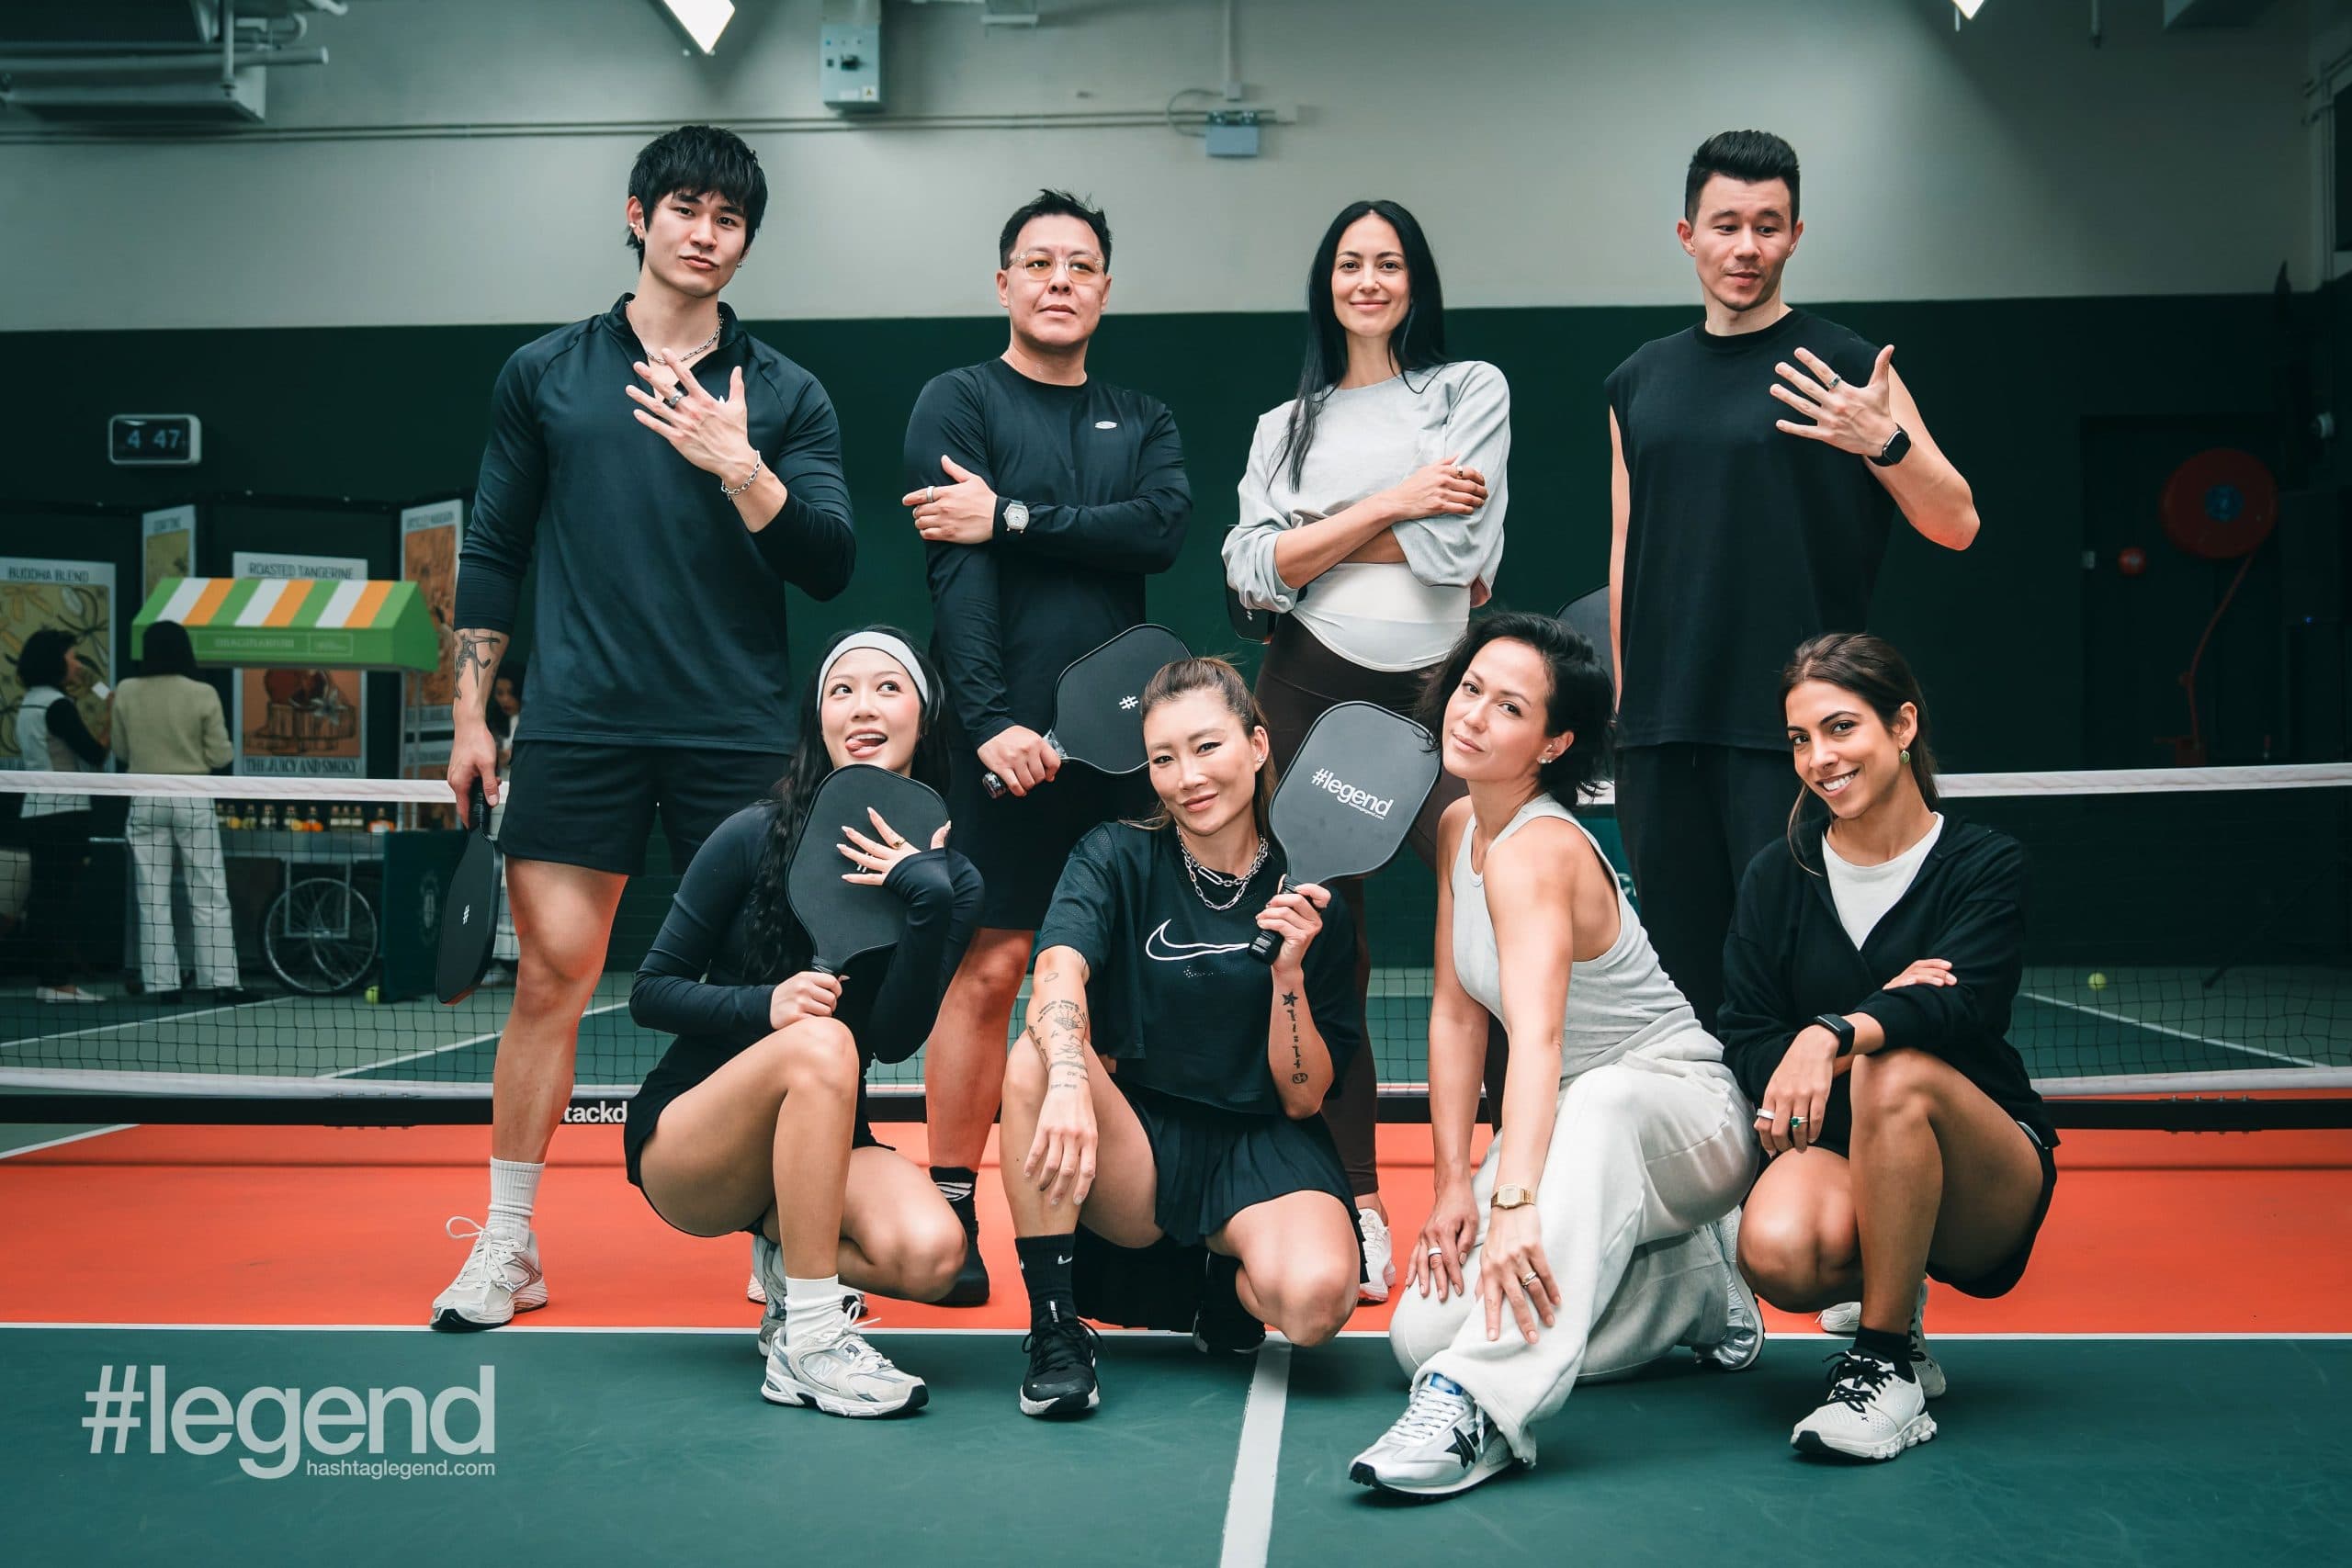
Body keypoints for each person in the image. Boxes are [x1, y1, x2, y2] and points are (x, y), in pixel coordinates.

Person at [434, 123, 855, 1330]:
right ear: (638, 215)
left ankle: (781, 1244)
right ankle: (508, 1243)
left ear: (743, 243)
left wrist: (742, 466)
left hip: (735, 729)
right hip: (580, 726)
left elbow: (827, 561)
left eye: (730, 220)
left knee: (770, 989)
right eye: (686, 209)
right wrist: (470, 713)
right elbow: (496, 548)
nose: (706, 233)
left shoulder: (784, 394)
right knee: (553, 982)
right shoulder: (547, 375)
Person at [1352, 614, 1759, 1498]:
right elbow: (1459, 1016)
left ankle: (1480, 1405)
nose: (1473, 715)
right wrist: (1454, 1181)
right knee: (1419, 1333)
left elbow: (1533, 1040)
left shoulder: (1539, 850)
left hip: (1677, 1110)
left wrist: (1514, 1201)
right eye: (1471, 689)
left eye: (1509, 706)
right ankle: (1695, 1286)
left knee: (1603, 1103)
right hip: (1570, 1122)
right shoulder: (1463, 825)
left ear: (1554, 741)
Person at [1605, 129, 1980, 1041]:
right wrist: (1629, 708)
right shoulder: (1637, 380)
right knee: (1688, 985)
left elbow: (1956, 521)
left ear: (1795, 235)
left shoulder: (1847, 368)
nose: (1746, 247)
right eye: (1726, 224)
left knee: (1799, 973)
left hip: (1790, 730)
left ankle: (1812, 1176)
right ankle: (1718, 1179)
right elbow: (1626, 552)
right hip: (1663, 733)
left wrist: (1880, 440)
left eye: (1766, 226)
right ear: (1686, 233)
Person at [902, 189, 1192, 1306]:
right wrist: (985, 723)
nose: (1059, 279)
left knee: (1116, 984)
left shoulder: (1142, 417)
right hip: (1000, 743)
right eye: (1038, 263)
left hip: (1120, 753)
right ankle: (953, 1206)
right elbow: (956, 576)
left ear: (1104, 290)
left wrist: (1014, 517)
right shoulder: (957, 401)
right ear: (1005, 284)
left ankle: (1110, 1223)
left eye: (1080, 265)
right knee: (986, 972)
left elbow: (1157, 530)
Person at [1222, 198, 1510, 1303]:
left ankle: (1488, 1190)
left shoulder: (1468, 391)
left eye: (1388, 263)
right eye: (1350, 263)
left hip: (1442, 698)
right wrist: (1391, 500)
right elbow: (1249, 575)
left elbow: (1461, 548)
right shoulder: (1280, 424)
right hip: (1303, 690)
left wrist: (1310, 542)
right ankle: (1356, 1200)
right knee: (1322, 950)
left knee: (1479, 944)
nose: (1369, 279)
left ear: (1414, 281)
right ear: (1326, 283)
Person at [625, 627, 981, 1416]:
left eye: (889, 687)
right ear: (818, 718)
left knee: (935, 1254)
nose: (863, 705)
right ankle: (811, 1343)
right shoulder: (753, 834)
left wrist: (926, 904)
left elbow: (892, 1039)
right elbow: (651, 990)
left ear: (925, 717)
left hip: (821, 1140)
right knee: (822, 1041)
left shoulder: (952, 879)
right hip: (693, 1144)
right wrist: (766, 1004)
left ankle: (792, 1267)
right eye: (841, 689)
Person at [1722, 633, 2057, 1462]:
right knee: (1776, 1248)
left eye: (1841, 728)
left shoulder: (1983, 864)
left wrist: (1836, 1030)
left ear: (1903, 725)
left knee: (1897, 1067)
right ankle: (1894, 1295)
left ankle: (1886, 1363)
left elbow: (1964, 1005)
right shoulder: (1778, 875)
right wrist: (1882, 1008)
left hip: (1987, 1174)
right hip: (1851, 1154)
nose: (1819, 757)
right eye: (1801, 738)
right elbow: (1747, 1036)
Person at [1001, 658, 1361, 1417]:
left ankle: (1217, 1285)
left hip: (1264, 1139)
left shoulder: (1312, 885)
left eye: (1206, 747)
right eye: (1164, 757)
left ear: (1257, 747)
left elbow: (1303, 1098)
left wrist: (1288, 977)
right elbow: (1058, 968)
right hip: (1143, 1142)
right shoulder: (1115, 855)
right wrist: (1069, 1074)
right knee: (1040, 1049)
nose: (1186, 776)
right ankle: (1056, 1328)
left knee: (1315, 1304)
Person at [107, 620, 254, 1004]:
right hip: (192, 794)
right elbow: (221, 755)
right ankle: (221, 980)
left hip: (144, 795)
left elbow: (121, 753)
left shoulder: (125, 690)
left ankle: (163, 984)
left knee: (151, 893)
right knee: (208, 890)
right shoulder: (202, 692)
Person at [12, 629, 108, 1003]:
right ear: (56, 660)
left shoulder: (30, 703)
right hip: (63, 812)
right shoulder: (57, 705)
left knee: (45, 898)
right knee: (57, 899)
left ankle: (50, 978)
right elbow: (94, 755)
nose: (76, 662)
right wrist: (112, 718)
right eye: (71, 656)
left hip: (36, 810)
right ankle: (57, 982)